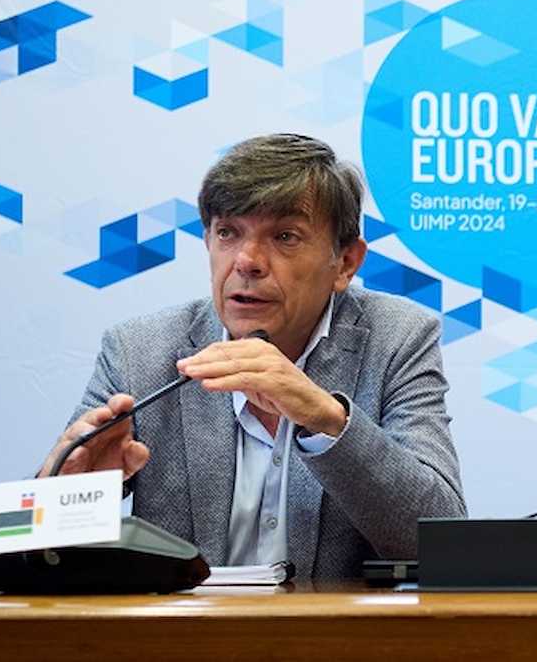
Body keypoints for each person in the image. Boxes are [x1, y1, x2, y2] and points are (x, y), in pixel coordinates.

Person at [39, 133, 465, 580]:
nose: (246, 261)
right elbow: (36, 554)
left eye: (284, 236)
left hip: (338, 643)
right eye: (228, 233)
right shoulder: (139, 352)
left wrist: (328, 421)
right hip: (180, 644)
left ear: (345, 264)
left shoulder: (397, 339)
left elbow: (444, 540)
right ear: (208, 241)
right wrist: (71, 493)